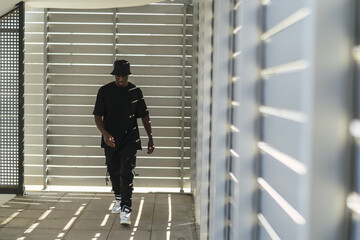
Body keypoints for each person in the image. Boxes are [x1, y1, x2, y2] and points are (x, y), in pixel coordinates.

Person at [93, 59, 154, 225]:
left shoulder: (135, 92)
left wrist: (150, 137)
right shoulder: (104, 91)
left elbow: (144, 116)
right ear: (114, 75)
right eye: (118, 76)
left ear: (128, 76)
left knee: (126, 171)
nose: (121, 79)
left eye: (124, 76)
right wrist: (105, 134)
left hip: (130, 139)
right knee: (113, 170)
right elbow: (98, 116)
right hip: (110, 138)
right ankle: (119, 198)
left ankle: (126, 208)